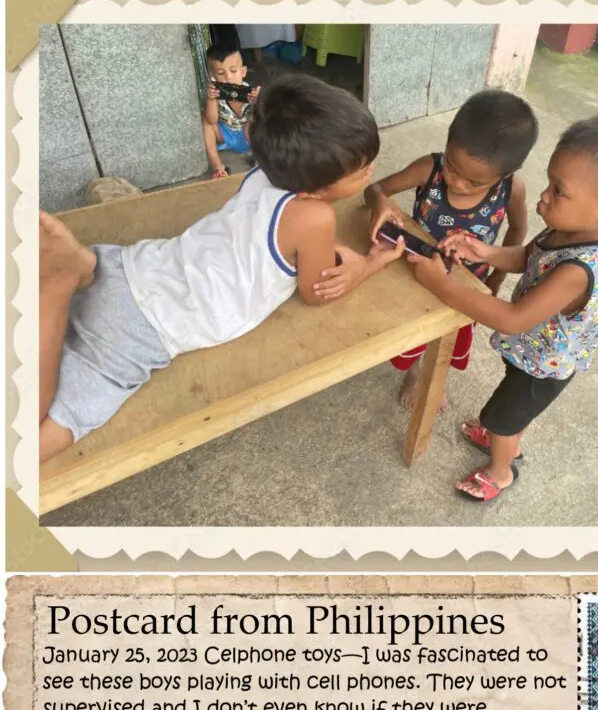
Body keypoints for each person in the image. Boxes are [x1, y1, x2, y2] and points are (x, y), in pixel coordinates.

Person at [39, 75, 405, 464]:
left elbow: (274, 228)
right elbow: (316, 292)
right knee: (36, 440)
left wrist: (318, 246)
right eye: (361, 171)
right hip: (140, 327)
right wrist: (369, 264)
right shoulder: (314, 216)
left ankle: (82, 266)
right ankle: (59, 286)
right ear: (314, 189)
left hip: (131, 266)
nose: (371, 172)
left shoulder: (264, 172)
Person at [406, 109, 598, 501]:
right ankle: (505, 435)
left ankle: (500, 470)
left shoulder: (578, 271)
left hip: (546, 366)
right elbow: (528, 256)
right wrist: (484, 250)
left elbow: (512, 319)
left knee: (501, 416)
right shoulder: (570, 226)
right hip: (534, 351)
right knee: (511, 411)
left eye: (558, 190)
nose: (543, 197)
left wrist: (440, 284)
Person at [360, 90, 537, 409]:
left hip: (468, 284)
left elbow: (519, 229)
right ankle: (415, 372)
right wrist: (381, 201)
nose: (456, 183)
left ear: (504, 175)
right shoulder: (429, 169)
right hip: (417, 271)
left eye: (474, 183)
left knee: (451, 335)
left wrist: (496, 279)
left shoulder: (512, 189)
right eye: (453, 167)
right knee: (415, 331)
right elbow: (373, 189)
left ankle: (436, 376)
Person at [202, 45, 260, 178]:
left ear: (243, 71)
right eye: (221, 73)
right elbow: (212, 120)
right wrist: (211, 98)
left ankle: (258, 159)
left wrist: (256, 103)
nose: (228, 77)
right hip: (224, 136)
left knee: (257, 118)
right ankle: (218, 166)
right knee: (205, 119)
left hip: (248, 137)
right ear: (213, 76)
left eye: (233, 71)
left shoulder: (250, 92)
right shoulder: (215, 93)